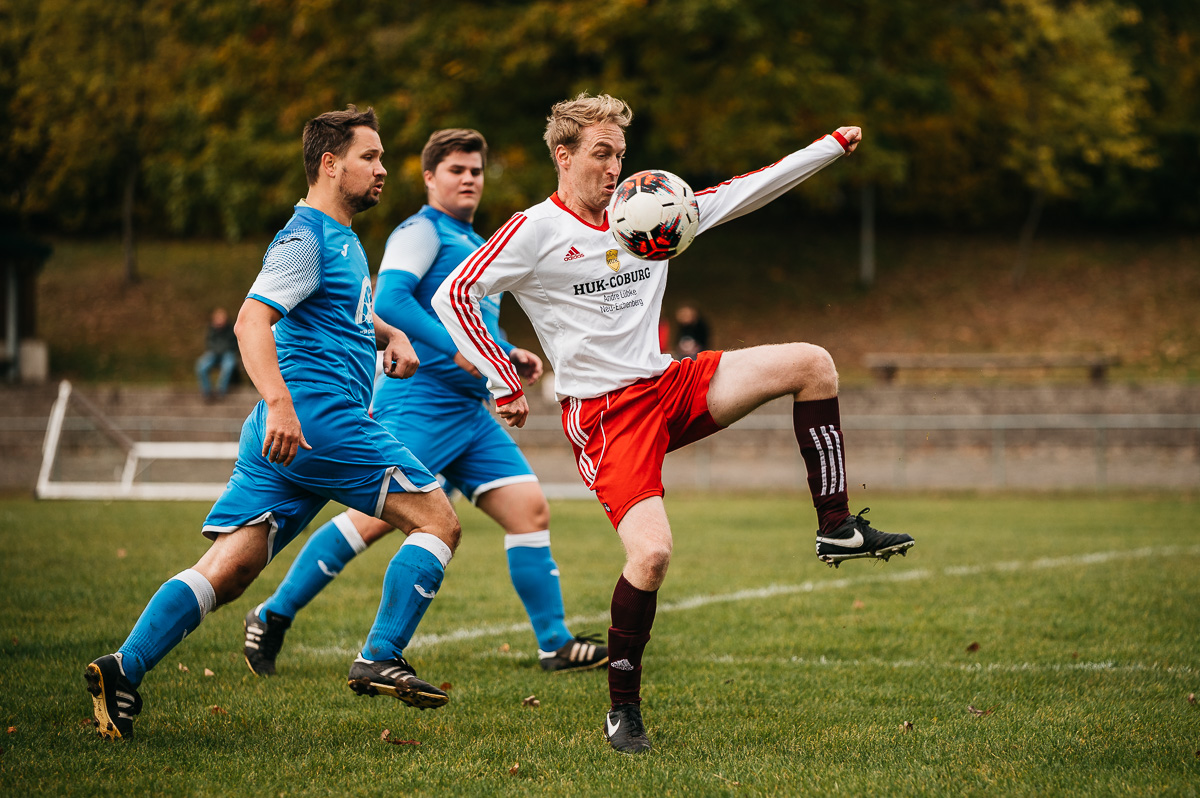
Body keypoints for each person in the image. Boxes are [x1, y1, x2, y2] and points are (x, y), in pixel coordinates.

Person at [432, 93, 915, 754]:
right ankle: (621, 709)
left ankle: (836, 528)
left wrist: (828, 146)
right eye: (601, 153)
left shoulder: (647, 211)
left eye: (620, 155)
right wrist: (500, 376)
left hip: (670, 383)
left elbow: (743, 191)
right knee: (652, 555)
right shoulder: (535, 229)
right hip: (606, 417)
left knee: (813, 364)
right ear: (563, 155)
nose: (613, 168)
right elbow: (453, 293)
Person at [85, 106, 462, 741]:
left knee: (230, 568)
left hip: (288, 434)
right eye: (369, 157)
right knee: (439, 521)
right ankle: (381, 654)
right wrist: (284, 405)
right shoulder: (307, 237)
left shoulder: (339, 239)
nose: (382, 169)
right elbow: (249, 321)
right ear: (329, 163)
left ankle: (123, 668)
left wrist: (389, 333)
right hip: (319, 420)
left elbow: (340, 318)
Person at [243, 129, 606, 678]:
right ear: (430, 178)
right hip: (420, 403)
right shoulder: (420, 231)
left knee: (530, 511)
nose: (468, 179)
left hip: (469, 414)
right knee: (375, 523)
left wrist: (508, 353)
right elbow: (390, 300)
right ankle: (272, 614)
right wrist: (457, 349)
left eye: (476, 171)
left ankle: (554, 643)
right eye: (455, 170)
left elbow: (471, 321)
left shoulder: (476, 239)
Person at [195, 307, 239, 400]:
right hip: (214, 354)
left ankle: (220, 391)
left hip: (227, 353)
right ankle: (207, 392)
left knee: (228, 366)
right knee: (201, 366)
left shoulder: (231, 329)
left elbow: (233, 344)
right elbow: (209, 343)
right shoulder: (212, 330)